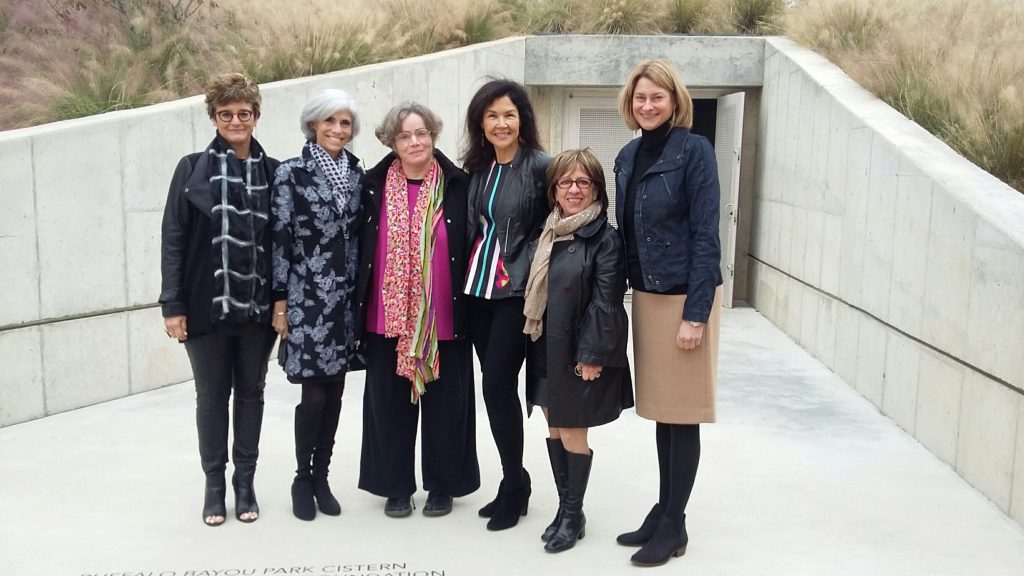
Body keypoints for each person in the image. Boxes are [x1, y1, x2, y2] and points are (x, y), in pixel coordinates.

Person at [612, 59, 723, 566]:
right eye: (640, 98)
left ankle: (675, 525)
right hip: (649, 299)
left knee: (683, 417)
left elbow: (706, 235)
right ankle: (664, 509)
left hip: (684, 298)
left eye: (657, 97)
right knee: (662, 413)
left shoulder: (695, 151)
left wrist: (696, 315)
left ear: (675, 101)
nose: (648, 105)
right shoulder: (628, 155)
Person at [159, 72, 279, 527]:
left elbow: (283, 243)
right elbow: (173, 238)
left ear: (255, 117)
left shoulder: (273, 172)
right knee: (211, 396)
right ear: (213, 117)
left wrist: (281, 304)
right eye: (225, 113)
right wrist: (172, 304)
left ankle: (244, 482)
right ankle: (214, 484)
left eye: (243, 113)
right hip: (205, 303)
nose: (235, 120)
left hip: (257, 306)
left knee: (251, 393)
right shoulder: (191, 169)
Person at [355, 102, 479, 518]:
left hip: (446, 318)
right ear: (392, 141)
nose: (415, 142)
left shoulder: (459, 185)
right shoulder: (371, 186)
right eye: (405, 135)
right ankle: (395, 486)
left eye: (422, 133)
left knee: (447, 409)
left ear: (434, 136)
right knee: (388, 407)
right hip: (386, 320)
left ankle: (442, 486)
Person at [523, 148, 634, 553]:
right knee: (553, 425)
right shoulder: (548, 231)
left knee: (572, 429)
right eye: (565, 182)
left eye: (583, 182)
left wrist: (592, 354)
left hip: (576, 350)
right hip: (544, 345)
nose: (573, 189)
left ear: (596, 191)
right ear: (554, 190)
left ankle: (572, 513)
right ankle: (567, 509)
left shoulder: (605, 238)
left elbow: (607, 302)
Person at [270, 89, 364, 521]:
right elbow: (281, 240)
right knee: (313, 397)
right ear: (313, 124)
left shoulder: (357, 172)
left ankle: (323, 477)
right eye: (330, 121)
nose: (337, 130)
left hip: (347, 303)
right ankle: (301, 478)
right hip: (308, 299)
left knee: (337, 393)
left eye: (345, 123)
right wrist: (280, 301)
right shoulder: (292, 173)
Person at [461, 79, 550, 531]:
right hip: (477, 291)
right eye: (492, 115)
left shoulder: (540, 166)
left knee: (497, 385)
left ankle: (514, 484)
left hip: (516, 291)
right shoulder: (476, 167)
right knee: (493, 389)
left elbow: (558, 221)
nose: (501, 123)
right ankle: (514, 479)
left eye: (509, 115)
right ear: (481, 121)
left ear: (522, 120)